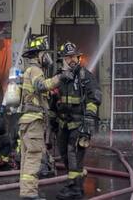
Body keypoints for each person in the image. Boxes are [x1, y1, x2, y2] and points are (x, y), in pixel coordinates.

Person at [18, 34, 68, 200]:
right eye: (44, 53)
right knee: (34, 156)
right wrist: (59, 78)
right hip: (33, 121)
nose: (47, 56)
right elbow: (40, 86)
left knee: (27, 157)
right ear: (38, 54)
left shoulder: (30, 70)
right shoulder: (35, 70)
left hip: (27, 120)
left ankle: (26, 192)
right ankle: (30, 194)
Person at [51, 42, 101, 200]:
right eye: (68, 57)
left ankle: (74, 189)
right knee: (65, 155)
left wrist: (88, 123)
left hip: (79, 124)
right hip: (63, 124)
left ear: (78, 57)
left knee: (74, 155)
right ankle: (75, 183)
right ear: (63, 59)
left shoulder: (85, 76)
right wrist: (53, 120)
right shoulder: (60, 78)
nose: (71, 60)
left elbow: (94, 99)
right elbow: (54, 101)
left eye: (74, 56)